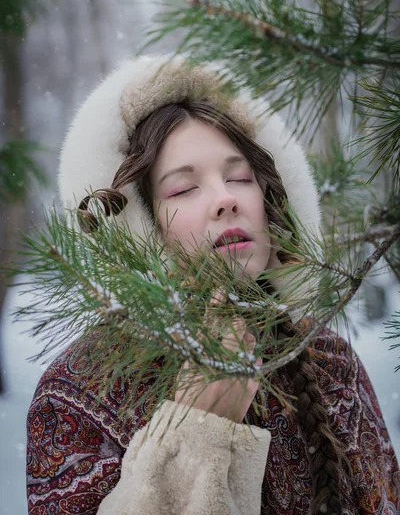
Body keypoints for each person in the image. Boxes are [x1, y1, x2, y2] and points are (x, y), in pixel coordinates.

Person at [26, 54, 399, 515]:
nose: (225, 199)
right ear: (140, 224)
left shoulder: (332, 366)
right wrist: (197, 431)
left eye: (240, 177)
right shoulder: (77, 392)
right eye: (183, 189)